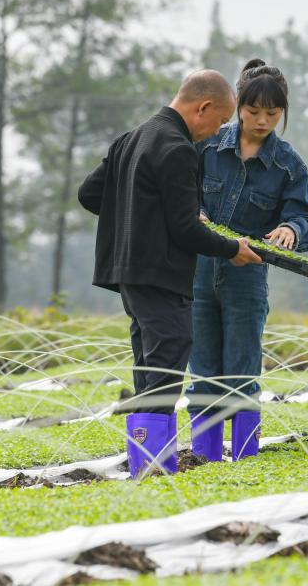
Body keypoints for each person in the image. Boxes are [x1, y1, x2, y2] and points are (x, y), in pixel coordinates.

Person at [78, 70, 262, 478]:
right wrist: (233, 248)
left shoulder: (131, 139)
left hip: (127, 273)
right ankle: (153, 467)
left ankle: (145, 463)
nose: (217, 132)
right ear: (203, 108)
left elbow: (89, 194)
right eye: (220, 121)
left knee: (149, 364)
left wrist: (136, 215)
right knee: (166, 361)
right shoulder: (178, 149)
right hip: (160, 274)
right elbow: (185, 228)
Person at [187, 59, 308, 462]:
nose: (262, 121)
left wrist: (291, 230)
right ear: (238, 105)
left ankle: (245, 457)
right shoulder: (206, 146)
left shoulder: (287, 164)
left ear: (283, 113)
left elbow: (305, 217)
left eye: (273, 114)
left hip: (248, 277)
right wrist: (193, 212)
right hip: (198, 273)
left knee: (242, 373)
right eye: (254, 111)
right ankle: (205, 458)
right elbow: (180, 192)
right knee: (203, 372)